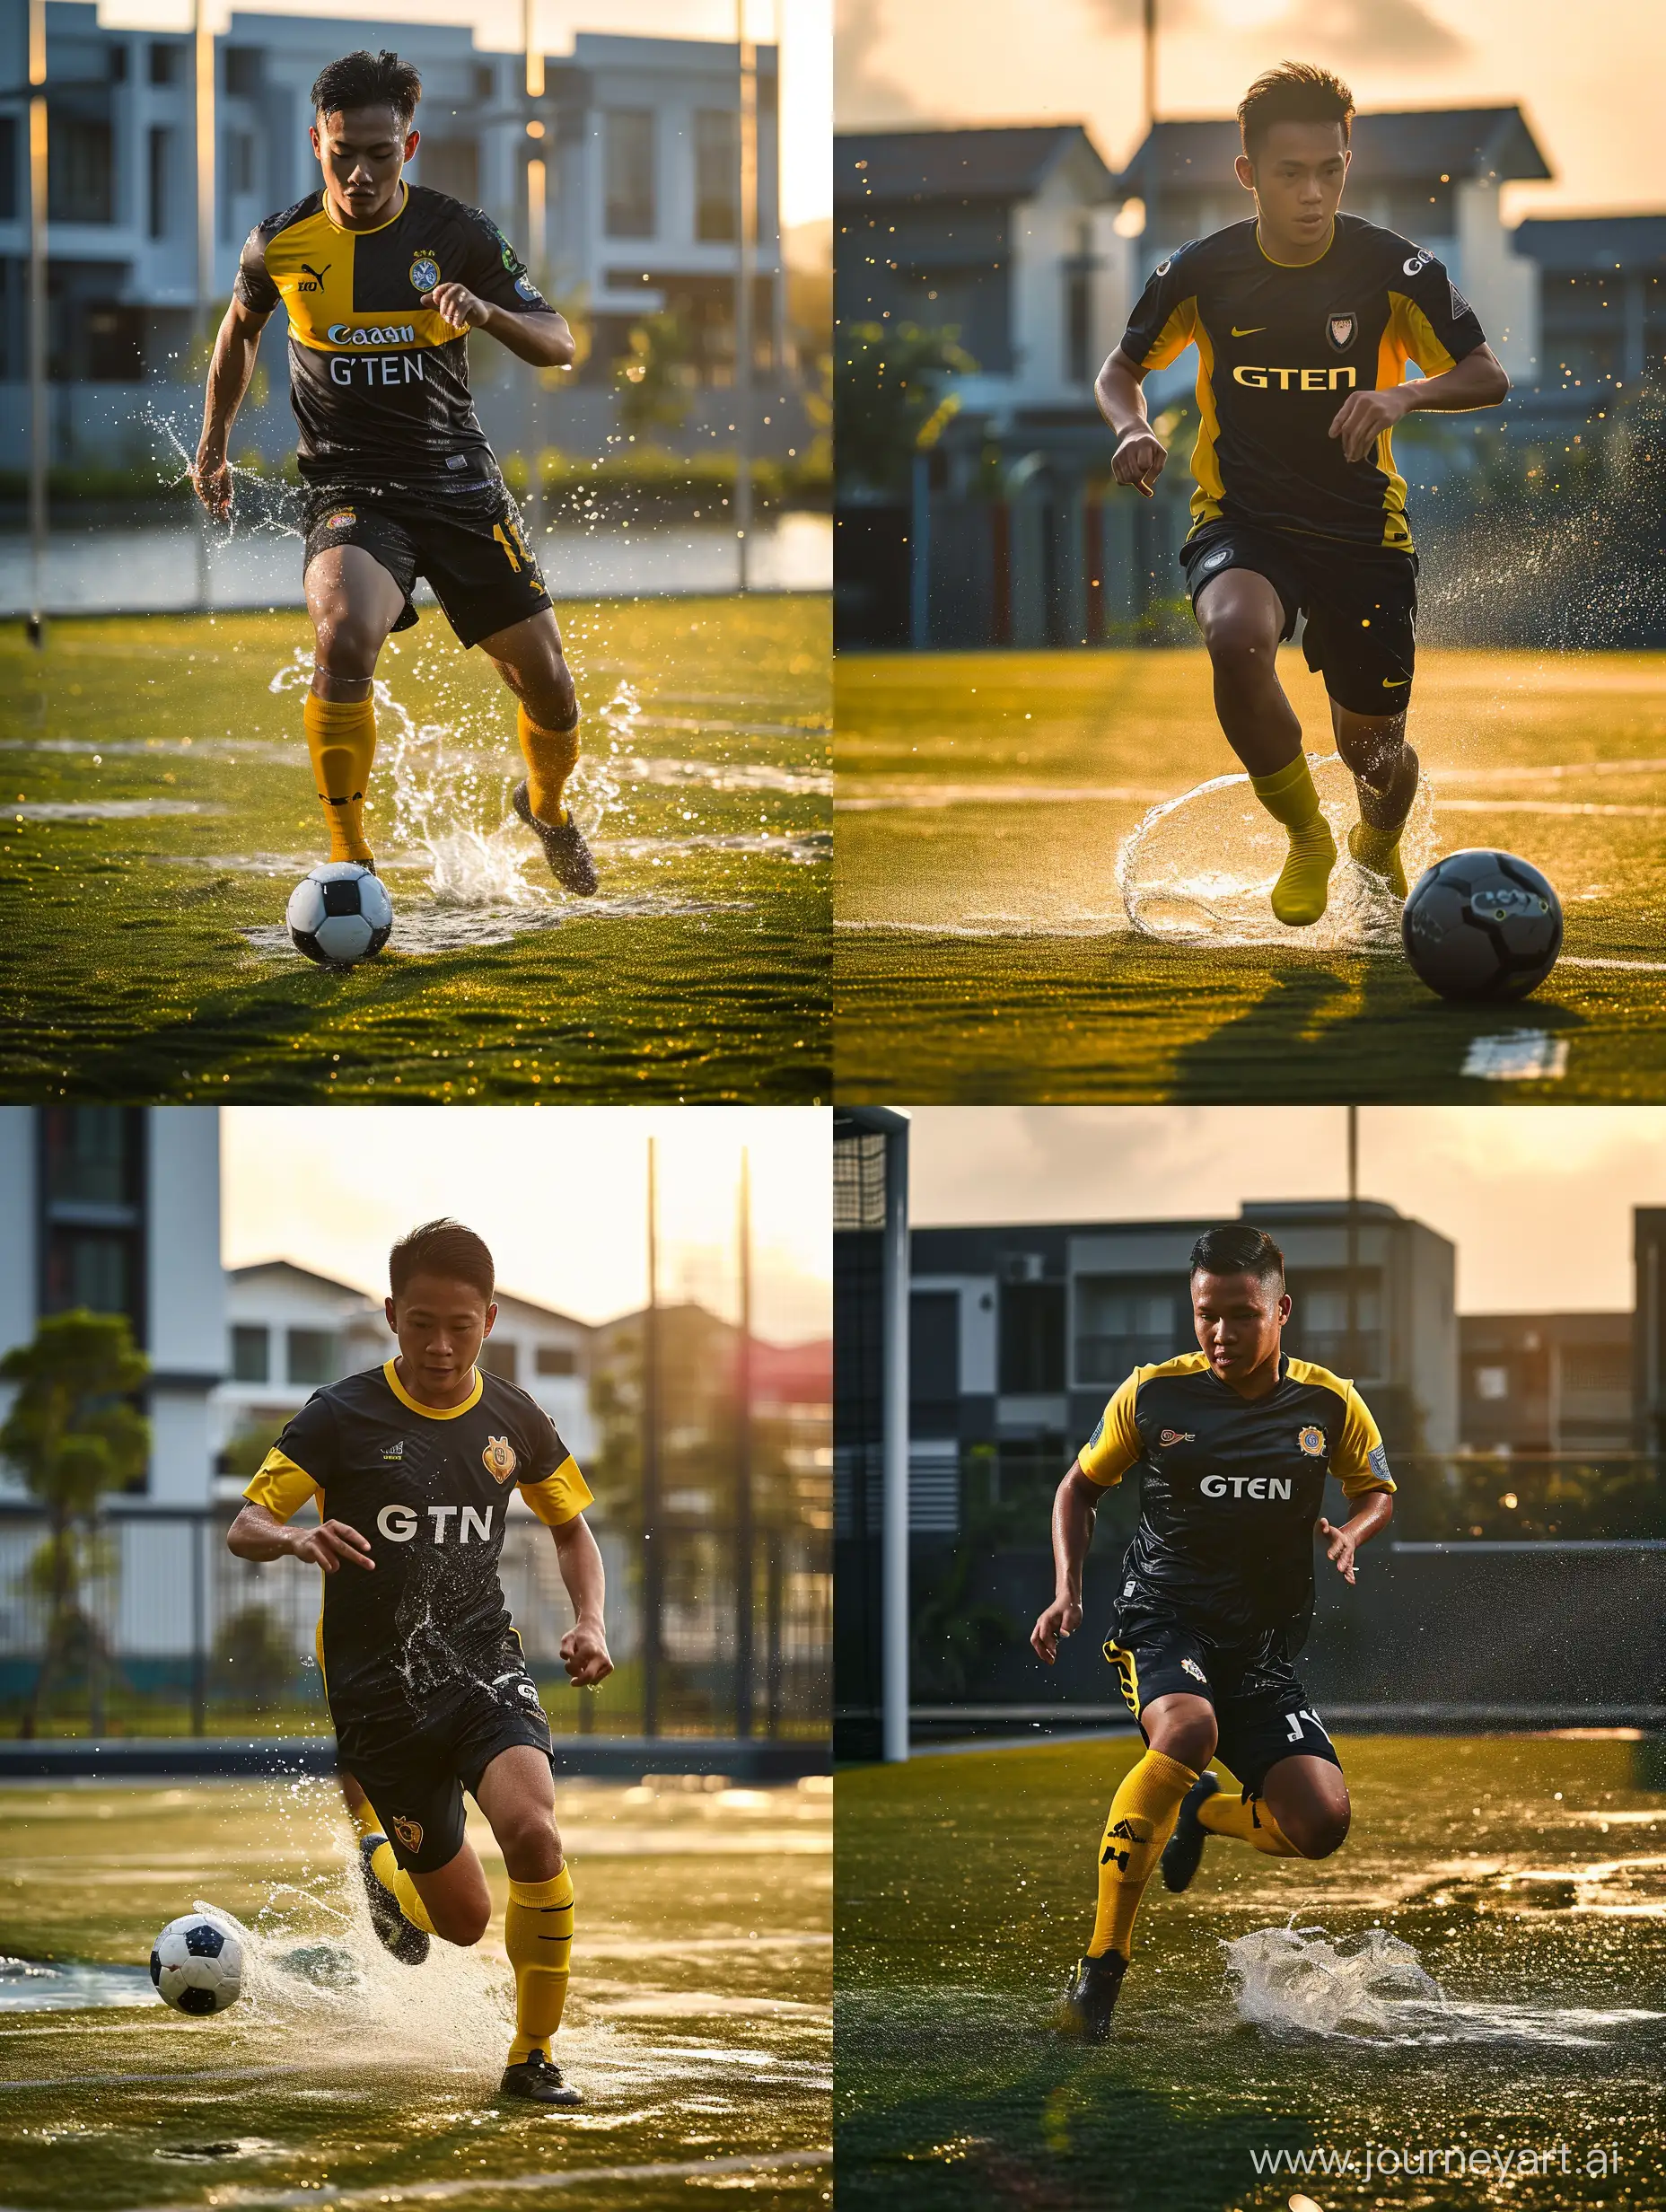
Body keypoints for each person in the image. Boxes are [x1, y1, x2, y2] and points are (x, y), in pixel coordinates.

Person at [1095, 62, 1511, 925]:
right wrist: (1132, 428)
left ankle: (1375, 839)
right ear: (1248, 175)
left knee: (1374, 754)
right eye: (1291, 173)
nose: (1314, 192)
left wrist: (1401, 394)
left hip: (1364, 533)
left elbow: (1486, 374)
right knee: (1235, 636)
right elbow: (1121, 370)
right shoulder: (1201, 272)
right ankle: (1309, 838)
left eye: (1332, 169)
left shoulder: (1396, 269)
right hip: (1242, 519)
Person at [194, 48, 598, 898]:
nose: (362, 172)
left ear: (408, 149)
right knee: (343, 637)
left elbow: (561, 342)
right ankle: (350, 860)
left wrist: (485, 311)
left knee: (550, 689)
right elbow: (239, 332)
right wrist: (214, 443)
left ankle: (549, 810)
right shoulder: (280, 241)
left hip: (458, 485)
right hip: (351, 488)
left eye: (381, 153)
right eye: (345, 153)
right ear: (317, 142)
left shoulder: (456, 233)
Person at [226, 1217, 612, 2105]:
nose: (441, 1345)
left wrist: (590, 1619)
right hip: (379, 1696)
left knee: (535, 1833)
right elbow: (245, 1524)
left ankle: (530, 2057)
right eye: (422, 1324)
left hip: (482, 1665)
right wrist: (293, 1537)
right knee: (465, 1925)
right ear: (394, 1315)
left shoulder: (515, 1417)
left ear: (490, 1316)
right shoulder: (340, 1414)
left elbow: (571, 1528)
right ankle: (378, 1850)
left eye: (462, 1325)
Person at [1030, 1223, 1395, 2041]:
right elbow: (1075, 1492)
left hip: (1260, 1648)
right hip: (1163, 1619)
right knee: (1189, 1726)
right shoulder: (1153, 1395)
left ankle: (1204, 1813)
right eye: (1206, 1315)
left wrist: (1352, 1531)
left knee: (1320, 1825)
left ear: (1281, 1309)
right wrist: (1066, 1593)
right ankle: (1102, 1970)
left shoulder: (1330, 1403)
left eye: (1241, 1314)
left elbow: (1377, 1490)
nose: (1222, 1333)